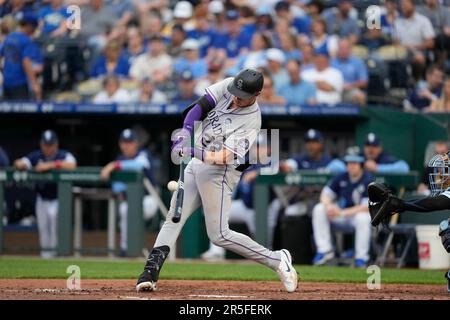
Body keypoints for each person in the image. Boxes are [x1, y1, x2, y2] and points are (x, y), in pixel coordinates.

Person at [135, 68, 298, 293]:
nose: (235, 97)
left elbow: (222, 158)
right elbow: (197, 109)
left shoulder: (252, 121)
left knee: (219, 235)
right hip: (197, 163)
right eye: (235, 92)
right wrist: (184, 133)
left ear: (257, 94)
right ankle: (149, 272)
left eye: (242, 95)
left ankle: (278, 259)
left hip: (220, 172)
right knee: (174, 217)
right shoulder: (230, 86)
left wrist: (191, 150)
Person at [13, 130, 77, 258]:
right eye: (45, 145)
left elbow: (72, 165)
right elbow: (20, 162)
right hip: (42, 198)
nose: (48, 148)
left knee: (55, 225)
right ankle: (45, 255)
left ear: (56, 144)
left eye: (50, 144)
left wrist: (50, 165)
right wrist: (21, 164)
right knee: (43, 228)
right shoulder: (36, 155)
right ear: (41, 144)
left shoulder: (62, 154)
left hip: (57, 198)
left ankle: (57, 254)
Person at [100, 129, 158, 255]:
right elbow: (117, 187)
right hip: (130, 201)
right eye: (124, 142)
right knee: (125, 208)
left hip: (149, 199)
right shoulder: (120, 159)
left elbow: (138, 166)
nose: (126, 145)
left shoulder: (143, 154)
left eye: (130, 142)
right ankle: (125, 249)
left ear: (136, 143)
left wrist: (113, 165)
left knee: (128, 209)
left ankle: (137, 247)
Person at [312, 152, 374, 267]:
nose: (351, 166)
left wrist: (341, 212)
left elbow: (366, 207)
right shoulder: (341, 176)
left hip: (354, 216)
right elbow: (325, 195)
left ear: (361, 165)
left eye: (355, 163)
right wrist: (329, 206)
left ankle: (361, 258)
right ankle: (325, 251)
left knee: (363, 218)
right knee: (319, 208)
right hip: (340, 215)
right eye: (349, 163)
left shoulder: (368, 179)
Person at [0, 12, 41, 100]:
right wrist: (34, 84)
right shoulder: (26, 41)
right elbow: (26, 61)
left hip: (6, 82)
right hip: (19, 83)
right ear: (28, 26)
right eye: (34, 27)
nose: (34, 30)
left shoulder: (9, 38)